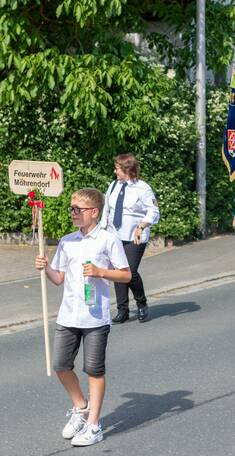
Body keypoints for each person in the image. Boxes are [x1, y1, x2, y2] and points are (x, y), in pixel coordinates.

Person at [35, 188, 131, 446]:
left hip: (95, 317)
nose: (73, 213)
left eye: (78, 209)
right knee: (60, 365)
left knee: (94, 370)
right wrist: (45, 269)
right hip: (68, 315)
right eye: (71, 209)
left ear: (94, 212)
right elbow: (58, 279)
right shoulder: (67, 241)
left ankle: (94, 425)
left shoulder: (108, 239)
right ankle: (80, 406)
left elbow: (126, 275)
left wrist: (101, 271)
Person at [100, 153, 160, 324]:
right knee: (119, 271)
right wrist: (102, 229)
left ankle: (142, 304)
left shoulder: (143, 188)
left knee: (130, 271)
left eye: (117, 168)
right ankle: (122, 310)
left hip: (135, 236)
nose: (115, 171)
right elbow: (107, 209)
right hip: (114, 235)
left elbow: (154, 211)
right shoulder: (113, 185)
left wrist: (142, 226)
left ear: (127, 169)